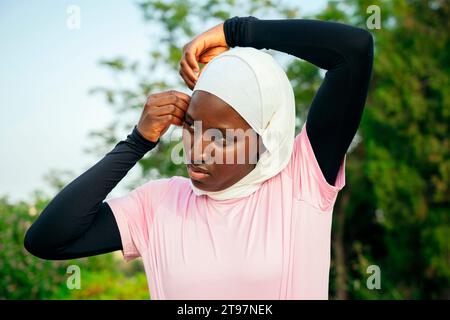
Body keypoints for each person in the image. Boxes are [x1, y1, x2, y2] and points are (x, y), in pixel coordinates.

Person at [24, 16, 374, 299]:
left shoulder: (302, 181)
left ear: (265, 137)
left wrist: (235, 31)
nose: (197, 148)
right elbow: (47, 239)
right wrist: (136, 143)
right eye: (191, 126)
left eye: (221, 137)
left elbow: (353, 50)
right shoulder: (159, 203)